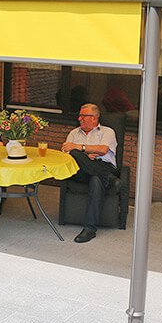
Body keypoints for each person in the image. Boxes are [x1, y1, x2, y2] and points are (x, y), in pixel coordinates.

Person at [61, 103, 119, 243]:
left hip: (103, 166)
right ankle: (109, 179)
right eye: (79, 115)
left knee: (96, 179)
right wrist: (87, 153)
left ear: (94, 118)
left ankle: (89, 229)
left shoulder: (107, 132)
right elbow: (66, 153)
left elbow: (103, 150)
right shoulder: (74, 133)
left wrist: (79, 148)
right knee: (75, 153)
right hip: (80, 171)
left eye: (83, 116)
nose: (79, 118)